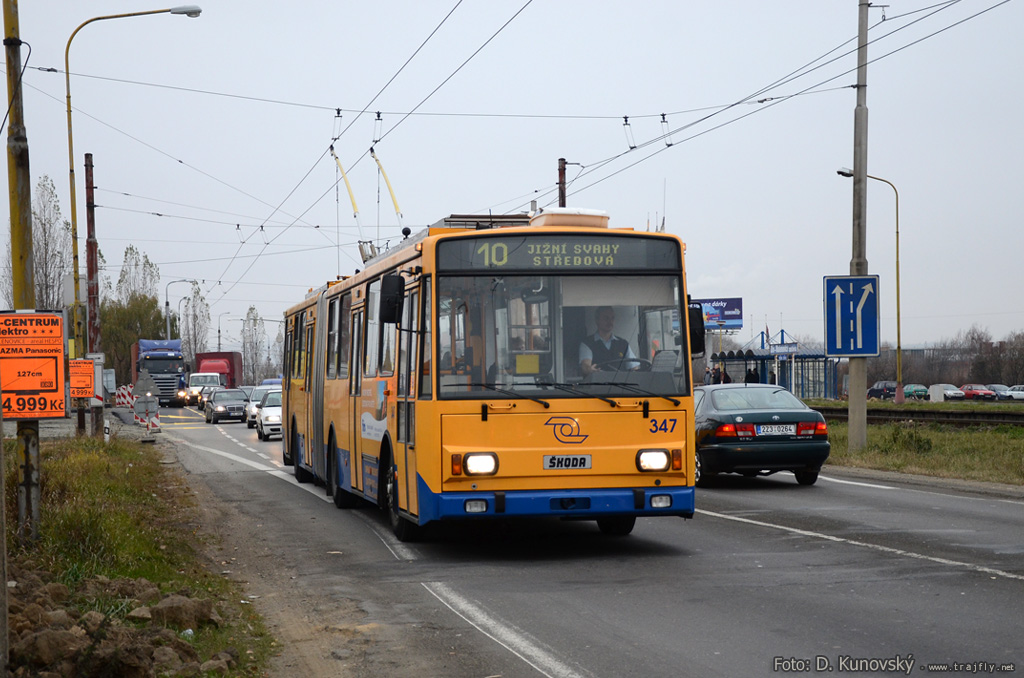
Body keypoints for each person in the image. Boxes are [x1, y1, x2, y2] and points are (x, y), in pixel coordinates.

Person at [579, 306, 638, 376]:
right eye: (606, 318)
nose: (610, 322)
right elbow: (585, 366)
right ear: (597, 320)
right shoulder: (587, 343)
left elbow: (634, 367)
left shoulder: (623, 344)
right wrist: (590, 370)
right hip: (598, 385)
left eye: (612, 318)